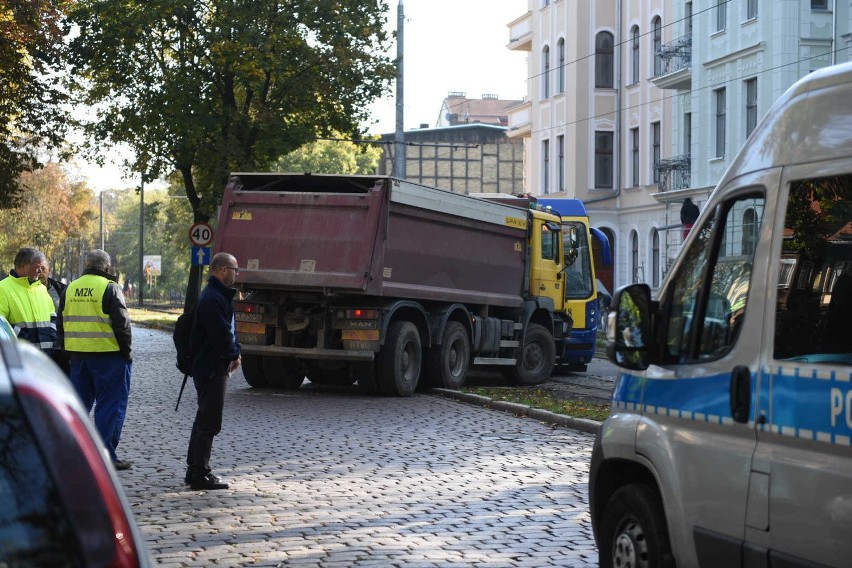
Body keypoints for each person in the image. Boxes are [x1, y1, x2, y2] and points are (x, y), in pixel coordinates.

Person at [57, 249, 133, 471]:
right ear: (107, 268)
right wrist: (126, 352)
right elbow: (122, 325)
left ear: (86, 265)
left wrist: (67, 351)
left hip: (78, 358)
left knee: (78, 407)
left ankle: (72, 451)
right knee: (110, 406)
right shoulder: (110, 288)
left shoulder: (70, 288)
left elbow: (60, 323)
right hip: (108, 357)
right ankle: (105, 455)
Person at [184, 252, 242, 490]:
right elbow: (220, 334)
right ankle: (199, 472)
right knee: (208, 421)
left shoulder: (217, 295)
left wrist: (233, 351)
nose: (237, 274)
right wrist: (233, 354)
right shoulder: (212, 297)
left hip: (210, 365)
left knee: (205, 419)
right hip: (210, 367)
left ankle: (195, 469)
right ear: (223, 270)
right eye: (235, 270)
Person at [0, 248, 58, 355]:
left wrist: (51, 333)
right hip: (20, 356)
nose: (40, 271)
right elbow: (1, 324)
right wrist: (22, 337)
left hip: (46, 356)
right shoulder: (3, 288)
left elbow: (53, 315)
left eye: (42, 267)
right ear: (23, 266)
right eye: (37, 267)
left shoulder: (41, 288)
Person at [38, 259, 71, 374]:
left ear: (49, 271)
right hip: (39, 347)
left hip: (60, 348)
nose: (40, 272)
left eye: (43, 269)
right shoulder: (27, 291)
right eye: (38, 269)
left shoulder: (61, 290)